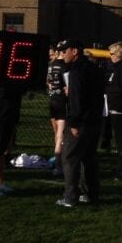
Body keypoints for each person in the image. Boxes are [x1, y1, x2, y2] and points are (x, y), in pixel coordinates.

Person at [56, 40, 104, 208]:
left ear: (75, 51)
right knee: (89, 158)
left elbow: (77, 100)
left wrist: (74, 123)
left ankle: (70, 197)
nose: (62, 54)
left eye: (64, 51)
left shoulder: (76, 72)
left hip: (81, 121)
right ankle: (91, 193)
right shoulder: (94, 68)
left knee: (70, 158)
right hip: (95, 120)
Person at [104, 41, 122, 180]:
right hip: (115, 109)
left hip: (121, 111)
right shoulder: (116, 68)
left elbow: (120, 89)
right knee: (120, 143)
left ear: (118, 54)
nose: (110, 56)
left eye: (112, 54)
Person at [46, 44, 67, 177]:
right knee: (61, 134)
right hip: (61, 101)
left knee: (57, 132)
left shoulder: (50, 65)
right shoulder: (64, 66)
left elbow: (48, 82)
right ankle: (59, 165)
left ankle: (58, 159)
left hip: (52, 99)